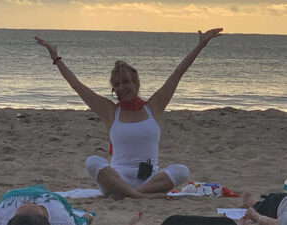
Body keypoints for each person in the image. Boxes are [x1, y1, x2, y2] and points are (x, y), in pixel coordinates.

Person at [35, 28, 223, 199]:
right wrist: (56, 58)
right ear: (113, 90)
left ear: (136, 83)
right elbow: (77, 86)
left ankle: (135, 194)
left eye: (125, 82)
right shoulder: (110, 111)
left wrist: (200, 45)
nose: (121, 88)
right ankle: (137, 195)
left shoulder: (154, 107)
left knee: (182, 170)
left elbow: (178, 74)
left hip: (150, 181)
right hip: (117, 180)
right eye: (117, 85)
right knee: (93, 162)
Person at [0, 185, 92, 225]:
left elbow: (86, 219)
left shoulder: (60, 214)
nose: (28, 202)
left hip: (10, 200)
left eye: (23, 206)